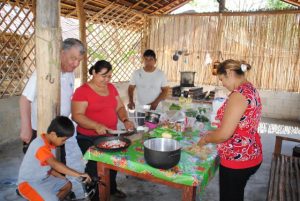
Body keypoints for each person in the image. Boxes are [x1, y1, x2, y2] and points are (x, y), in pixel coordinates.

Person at [198, 59, 263, 201]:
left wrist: (206, 139)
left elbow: (224, 135)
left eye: (222, 79)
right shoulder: (249, 88)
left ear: (229, 72)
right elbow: (239, 126)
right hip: (250, 152)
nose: (223, 84)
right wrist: (214, 133)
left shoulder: (238, 95)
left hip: (238, 159)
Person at [71, 60, 134, 200]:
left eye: (109, 76)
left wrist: (125, 120)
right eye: (103, 76)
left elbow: (120, 107)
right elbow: (77, 116)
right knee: (95, 166)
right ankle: (94, 195)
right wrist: (95, 126)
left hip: (110, 134)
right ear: (94, 72)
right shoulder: (83, 91)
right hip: (88, 137)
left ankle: (111, 189)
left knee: (112, 162)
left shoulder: (111, 88)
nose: (107, 80)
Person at [19, 38, 85, 157]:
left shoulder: (70, 74)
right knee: (38, 166)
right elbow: (25, 99)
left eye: (79, 60)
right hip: (40, 130)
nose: (76, 64)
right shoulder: (44, 72)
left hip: (60, 131)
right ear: (62, 53)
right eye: (73, 58)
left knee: (58, 164)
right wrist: (26, 127)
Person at [18, 116, 91, 201]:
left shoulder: (50, 143)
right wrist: (79, 174)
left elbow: (48, 168)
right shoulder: (40, 146)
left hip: (44, 179)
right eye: (63, 140)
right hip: (28, 183)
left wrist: (61, 177)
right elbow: (55, 165)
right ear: (53, 135)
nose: (64, 142)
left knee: (67, 185)